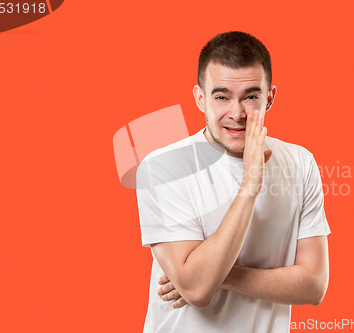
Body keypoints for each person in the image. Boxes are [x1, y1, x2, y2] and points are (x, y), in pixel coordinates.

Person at [136, 31, 331, 333]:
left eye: (251, 96)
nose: (237, 113)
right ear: (200, 98)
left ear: (270, 97)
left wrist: (215, 274)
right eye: (222, 96)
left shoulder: (300, 162)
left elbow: (313, 285)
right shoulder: (162, 167)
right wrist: (250, 186)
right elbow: (198, 292)